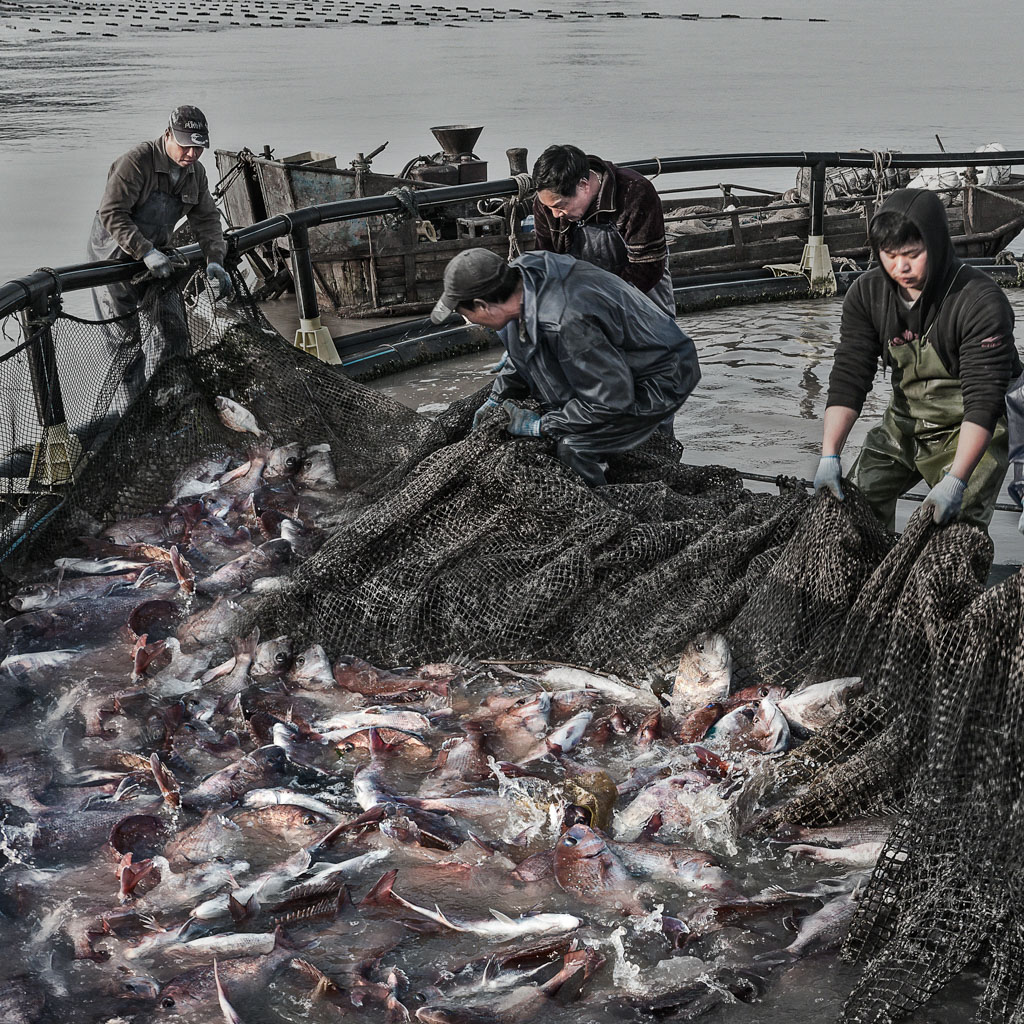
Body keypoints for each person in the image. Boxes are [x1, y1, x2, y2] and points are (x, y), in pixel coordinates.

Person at [813, 188, 1019, 530]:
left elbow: (984, 403)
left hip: (972, 424)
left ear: (936, 245)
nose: (900, 267)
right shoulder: (867, 295)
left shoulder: (980, 302)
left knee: (953, 528)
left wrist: (956, 481)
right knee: (852, 508)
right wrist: (829, 454)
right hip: (905, 420)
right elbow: (850, 376)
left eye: (912, 253)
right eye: (889, 255)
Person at [431, 248, 700, 488]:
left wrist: (541, 425)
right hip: (609, 363)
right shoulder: (524, 278)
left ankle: (605, 520)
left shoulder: (566, 322)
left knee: (574, 448)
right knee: (556, 403)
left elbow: (611, 401)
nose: (468, 322)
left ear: (482, 305)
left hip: (661, 376)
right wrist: (496, 398)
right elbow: (523, 349)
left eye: (465, 314)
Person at [88, 104, 231, 315]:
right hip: (113, 255)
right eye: (185, 146)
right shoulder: (136, 162)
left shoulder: (196, 173)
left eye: (198, 147)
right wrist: (145, 251)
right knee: (124, 336)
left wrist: (215, 259)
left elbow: (207, 218)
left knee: (172, 326)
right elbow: (112, 212)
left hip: (159, 253)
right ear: (168, 135)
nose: (192, 154)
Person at [531, 143, 675, 316]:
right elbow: (547, 260)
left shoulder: (634, 192)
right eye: (549, 207)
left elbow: (647, 267)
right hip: (583, 305)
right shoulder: (546, 205)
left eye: (560, 206)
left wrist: (597, 302)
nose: (554, 215)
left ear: (583, 185)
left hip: (643, 299)